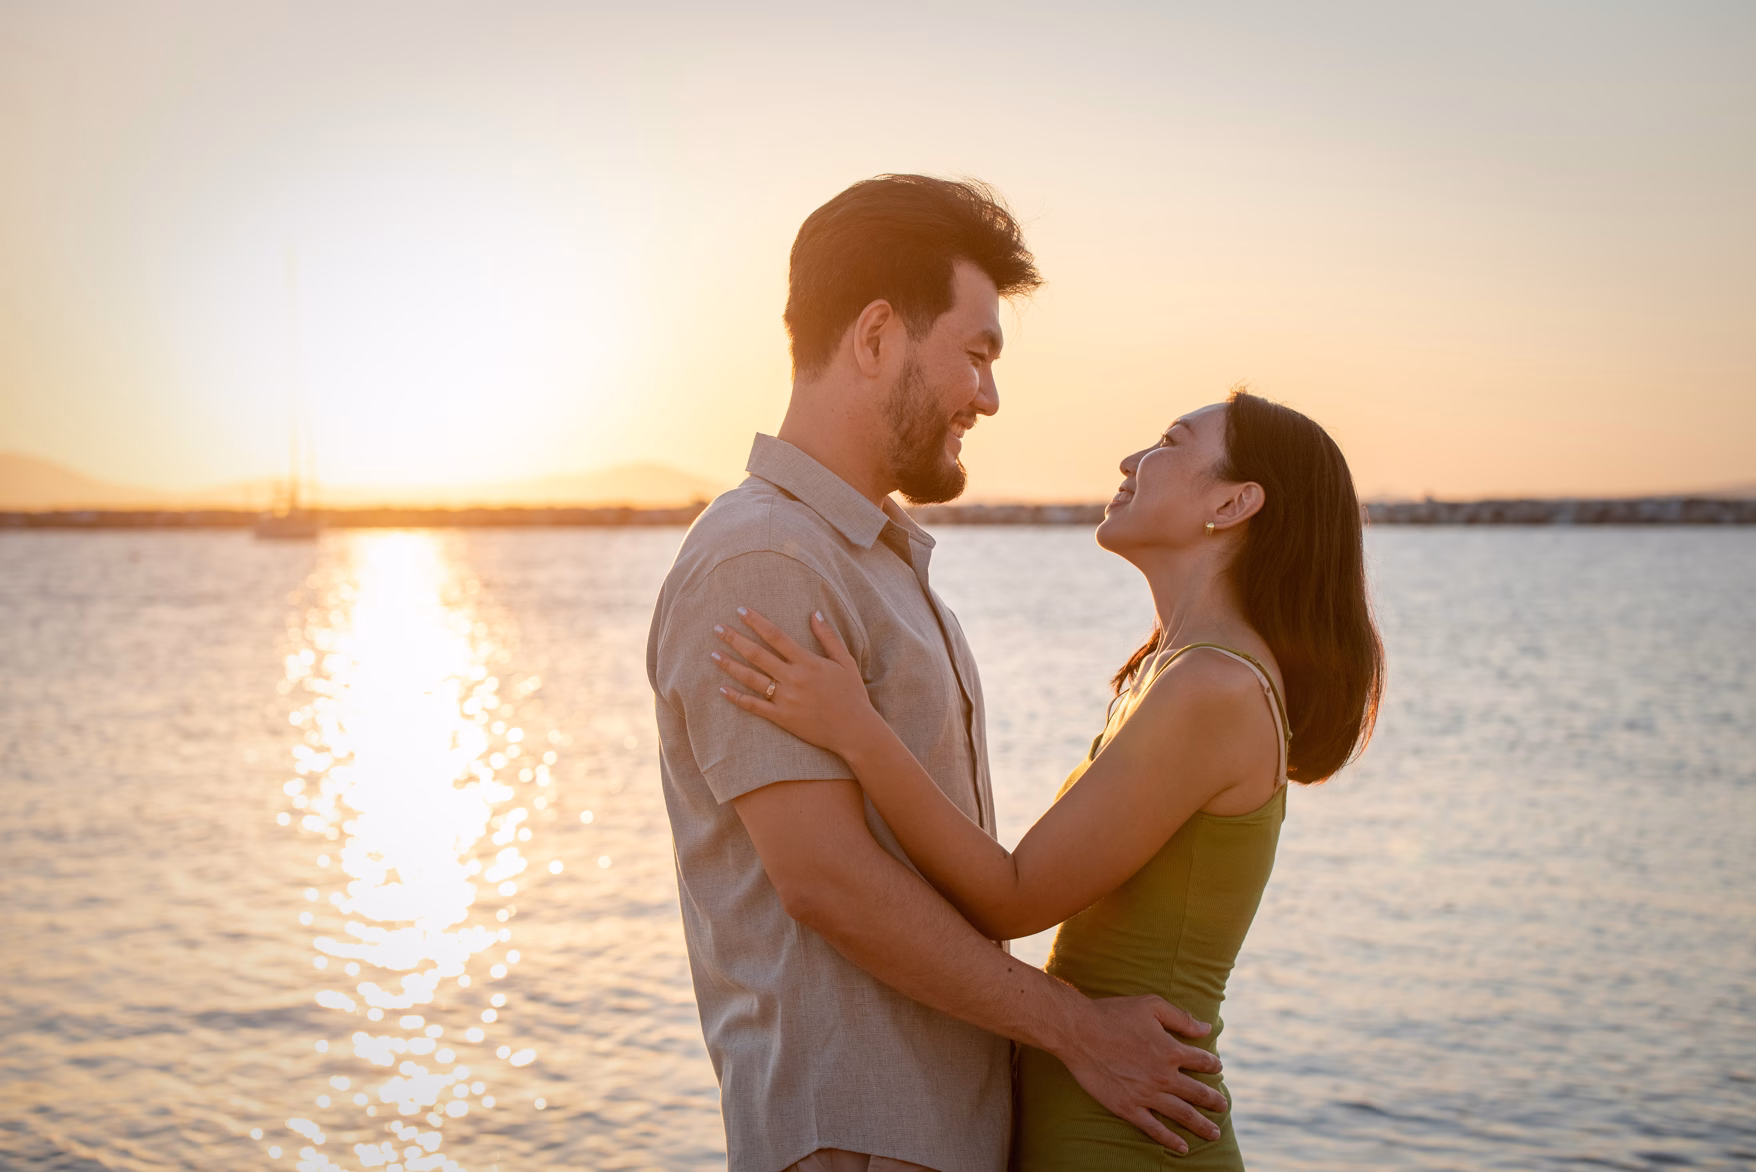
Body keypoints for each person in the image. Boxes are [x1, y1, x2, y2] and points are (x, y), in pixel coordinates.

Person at [647, 174, 1227, 1172]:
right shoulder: (766, 561)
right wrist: (1080, 1031)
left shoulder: (868, 556)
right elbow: (824, 878)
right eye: (976, 353)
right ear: (876, 337)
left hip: (935, 1135)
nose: (990, 397)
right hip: (861, 1136)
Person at [711, 387, 1385, 1169]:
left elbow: (1012, 894)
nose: (1133, 460)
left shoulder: (1215, 690)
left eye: (1170, 441)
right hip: (1105, 1103)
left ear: (1235, 502)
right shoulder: (1175, 673)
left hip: (1129, 1134)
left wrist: (858, 732)